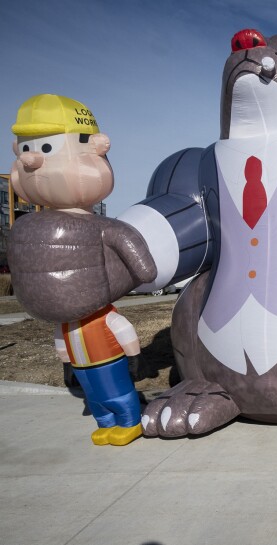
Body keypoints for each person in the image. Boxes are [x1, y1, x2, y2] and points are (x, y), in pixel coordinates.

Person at [8, 94, 155, 445]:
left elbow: (142, 268)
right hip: (77, 353)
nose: (29, 160)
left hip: (103, 345)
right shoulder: (28, 226)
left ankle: (129, 419)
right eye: (25, 149)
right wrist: (63, 350)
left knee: (115, 389)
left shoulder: (103, 228)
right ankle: (106, 423)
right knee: (94, 395)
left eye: (45, 147)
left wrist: (133, 351)